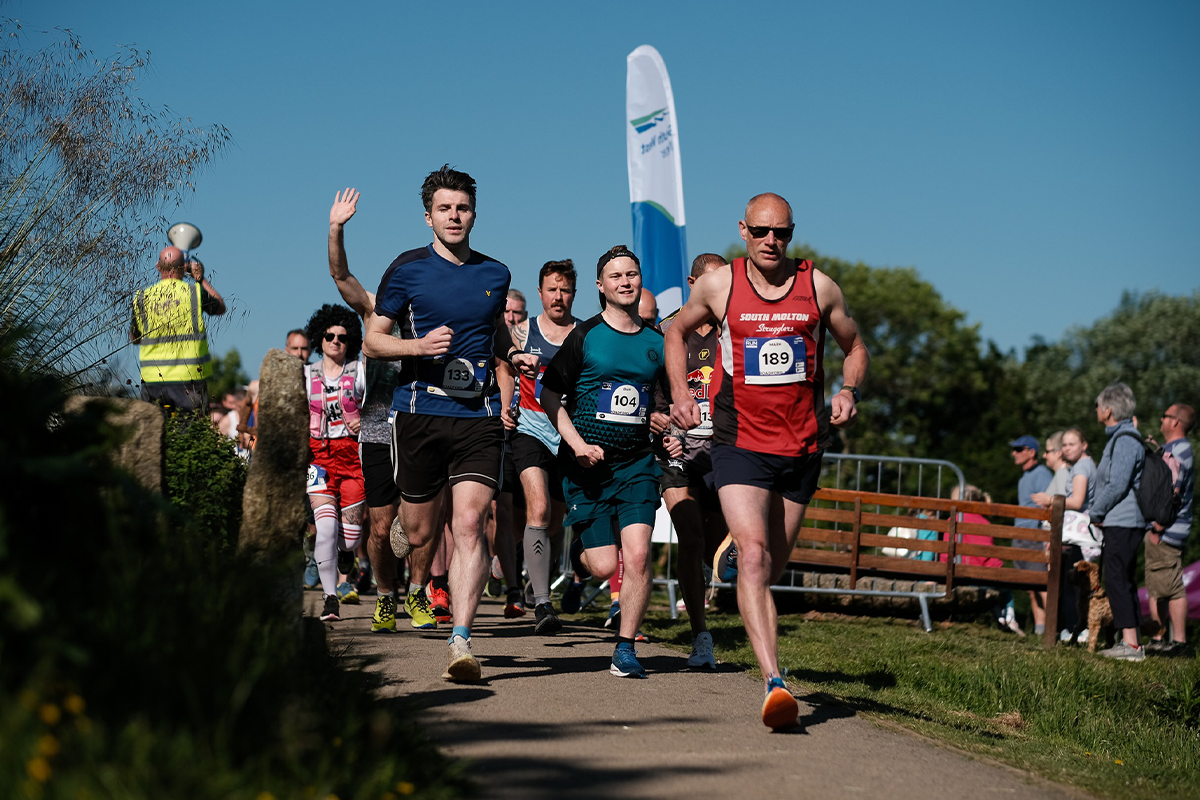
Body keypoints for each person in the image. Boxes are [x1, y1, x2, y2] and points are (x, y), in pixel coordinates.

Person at [667, 193, 868, 730]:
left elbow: (855, 346)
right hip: (740, 441)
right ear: (743, 230)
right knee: (754, 560)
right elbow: (675, 330)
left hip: (801, 444)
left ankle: (744, 547)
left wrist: (848, 389)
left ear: (792, 233)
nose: (770, 242)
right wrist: (680, 395)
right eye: (760, 232)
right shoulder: (720, 284)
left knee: (772, 564)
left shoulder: (819, 286)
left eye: (781, 232)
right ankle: (774, 682)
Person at [363, 166, 536, 682]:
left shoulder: (495, 274)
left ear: (474, 214)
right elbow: (374, 340)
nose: (454, 216)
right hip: (418, 412)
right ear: (428, 216)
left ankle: (460, 639)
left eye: (462, 208)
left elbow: (492, 337)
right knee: (418, 533)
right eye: (445, 208)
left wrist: (514, 355)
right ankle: (405, 529)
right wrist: (417, 346)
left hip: (478, 414)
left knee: (468, 525)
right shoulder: (406, 269)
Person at [540, 245, 674, 680]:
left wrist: (667, 426)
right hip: (587, 467)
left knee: (636, 557)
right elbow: (549, 394)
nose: (625, 281)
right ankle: (580, 561)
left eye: (632, 274)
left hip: (636, 464)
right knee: (602, 564)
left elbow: (665, 402)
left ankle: (625, 648)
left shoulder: (658, 343)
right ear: (600, 286)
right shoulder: (586, 336)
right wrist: (577, 443)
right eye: (615, 276)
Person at [327, 187, 440, 633]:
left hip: (426, 424)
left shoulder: (437, 314)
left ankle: (417, 593)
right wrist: (336, 228)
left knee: (426, 525)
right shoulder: (375, 309)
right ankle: (387, 596)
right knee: (379, 526)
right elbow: (341, 275)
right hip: (376, 428)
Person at [653, 253, 730, 669]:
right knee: (691, 537)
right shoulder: (667, 332)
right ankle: (701, 638)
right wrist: (661, 423)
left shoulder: (733, 334)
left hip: (724, 453)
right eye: (710, 282)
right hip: (678, 452)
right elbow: (649, 395)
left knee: (718, 545)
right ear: (692, 282)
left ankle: (716, 570)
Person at [509, 259, 580, 634]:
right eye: (551, 289)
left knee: (553, 519)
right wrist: (507, 405)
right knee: (537, 509)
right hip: (531, 429)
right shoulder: (522, 332)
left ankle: (533, 567)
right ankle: (542, 604)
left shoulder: (584, 334)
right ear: (540, 293)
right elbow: (502, 365)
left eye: (565, 289)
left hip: (568, 436)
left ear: (574, 293)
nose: (558, 296)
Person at [304, 304, 368, 622]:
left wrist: (364, 422)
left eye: (343, 337)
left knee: (351, 538)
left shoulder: (359, 371)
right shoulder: (306, 375)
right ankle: (330, 598)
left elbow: (380, 406)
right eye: (329, 336)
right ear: (320, 338)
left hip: (352, 458)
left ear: (350, 340)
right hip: (319, 458)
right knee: (325, 529)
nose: (336, 341)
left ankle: (347, 554)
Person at [130, 245, 226, 413]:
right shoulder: (194, 293)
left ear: (158, 266)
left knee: (153, 435)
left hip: (152, 382)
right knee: (191, 435)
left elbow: (134, 338)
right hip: (189, 382)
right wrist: (200, 278)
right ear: (184, 268)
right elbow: (221, 308)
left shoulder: (142, 298)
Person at [1090, 382, 1147, 662]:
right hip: (1123, 521)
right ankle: (1132, 642)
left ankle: (1131, 646)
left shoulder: (1124, 439)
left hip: (1123, 521)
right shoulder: (1120, 437)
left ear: (1108, 409)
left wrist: (1096, 512)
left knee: (1115, 579)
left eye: (1098, 405)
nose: (1096, 410)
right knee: (1122, 579)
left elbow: (1117, 485)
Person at [1145, 403, 1194, 656]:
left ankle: (1172, 643)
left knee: (1167, 586)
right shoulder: (1176, 449)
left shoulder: (1179, 450)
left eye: (1164, 415)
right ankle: (1166, 640)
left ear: (1175, 422)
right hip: (1171, 529)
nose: (1161, 419)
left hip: (1166, 530)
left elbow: (1172, 491)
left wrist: (1158, 526)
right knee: (1163, 584)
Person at [1008, 434, 1053, 634]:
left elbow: (1048, 504)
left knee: (1042, 584)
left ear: (1031, 452)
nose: (1014, 453)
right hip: (1020, 535)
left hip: (1034, 536)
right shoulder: (1023, 476)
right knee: (1031, 588)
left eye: (1018, 449)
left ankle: (1051, 630)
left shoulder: (1041, 473)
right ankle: (1039, 628)